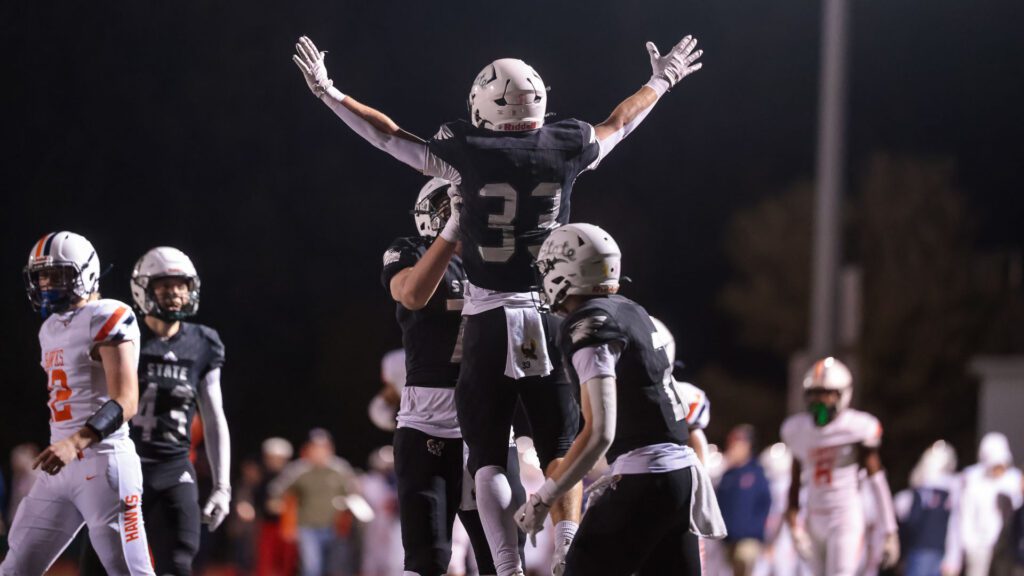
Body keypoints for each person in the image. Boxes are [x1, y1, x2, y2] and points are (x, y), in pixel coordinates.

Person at [293, 34, 704, 576]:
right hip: (547, 312)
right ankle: (567, 548)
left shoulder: (467, 151)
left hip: (488, 313)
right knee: (560, 443)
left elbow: (388, 135)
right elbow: (619, 123)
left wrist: (329, 93)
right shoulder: (563, 144)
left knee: (487, 454)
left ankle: (508, 568)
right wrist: (661, 81)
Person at [519, 223, 725, 575]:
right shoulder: (631, 310)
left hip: (644, 477)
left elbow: (600, 432)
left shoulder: (590, 324)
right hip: (680, 478)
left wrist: (544, 498)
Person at [381, 178, 524, 576]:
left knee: (506, 560)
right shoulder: (410, 250)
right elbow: (412, 294)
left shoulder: (501, 260)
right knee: (427, 560)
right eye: (458, 208)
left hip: (488, 418)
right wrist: (451, 234)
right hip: (427, 419)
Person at [2, 231, 155, 576]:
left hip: (103, 462)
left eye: (57, 274)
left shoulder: (108, 314)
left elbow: (127, 400)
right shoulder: (49, 329)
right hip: (58, 468)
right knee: (15, 568)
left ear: (86, 273)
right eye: (41, 275)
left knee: (131, 572)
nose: (46, 283)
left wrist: (75, 442)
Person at [780, 357, 900, 576]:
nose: (819, 400)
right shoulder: (797, 430)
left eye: (826, 394)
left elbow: (877, 480)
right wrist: (795, 527)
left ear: (843, 394)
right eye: (814, 394)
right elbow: (794, 483)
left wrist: (890, 530)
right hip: (813, 516)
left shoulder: (856, 427)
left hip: (845, 516)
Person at [270, 429, 360, 576]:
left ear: (330, 449)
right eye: (315, 448)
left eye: (323, 448)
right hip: (307, 527)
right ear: (308, 449)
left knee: (334, 568)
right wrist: (277, 502)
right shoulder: (298, 469)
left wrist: (350, 504)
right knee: (312, 568)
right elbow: (277, 489)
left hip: (335, 527)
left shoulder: (340, 469)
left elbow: (354, 492)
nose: (319, 452)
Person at [943, 432, 1023, 576]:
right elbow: (964, 515)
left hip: (1006, 550)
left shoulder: (1014, 480)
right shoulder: (972, 479)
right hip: (979, 548)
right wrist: (970, 544)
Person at [715, 425, 772, 576]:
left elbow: (765, 503)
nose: (732, 447)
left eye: (737, 443)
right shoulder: (726, 474)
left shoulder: (756, 472)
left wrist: (756, 531)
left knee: (745, 566)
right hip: (728, 539)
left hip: (748, 538)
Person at [894, 440, 957, 576]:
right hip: (934, 550)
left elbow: (911, 520)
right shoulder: (952, 489)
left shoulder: (946, 489)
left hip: (923, 549)